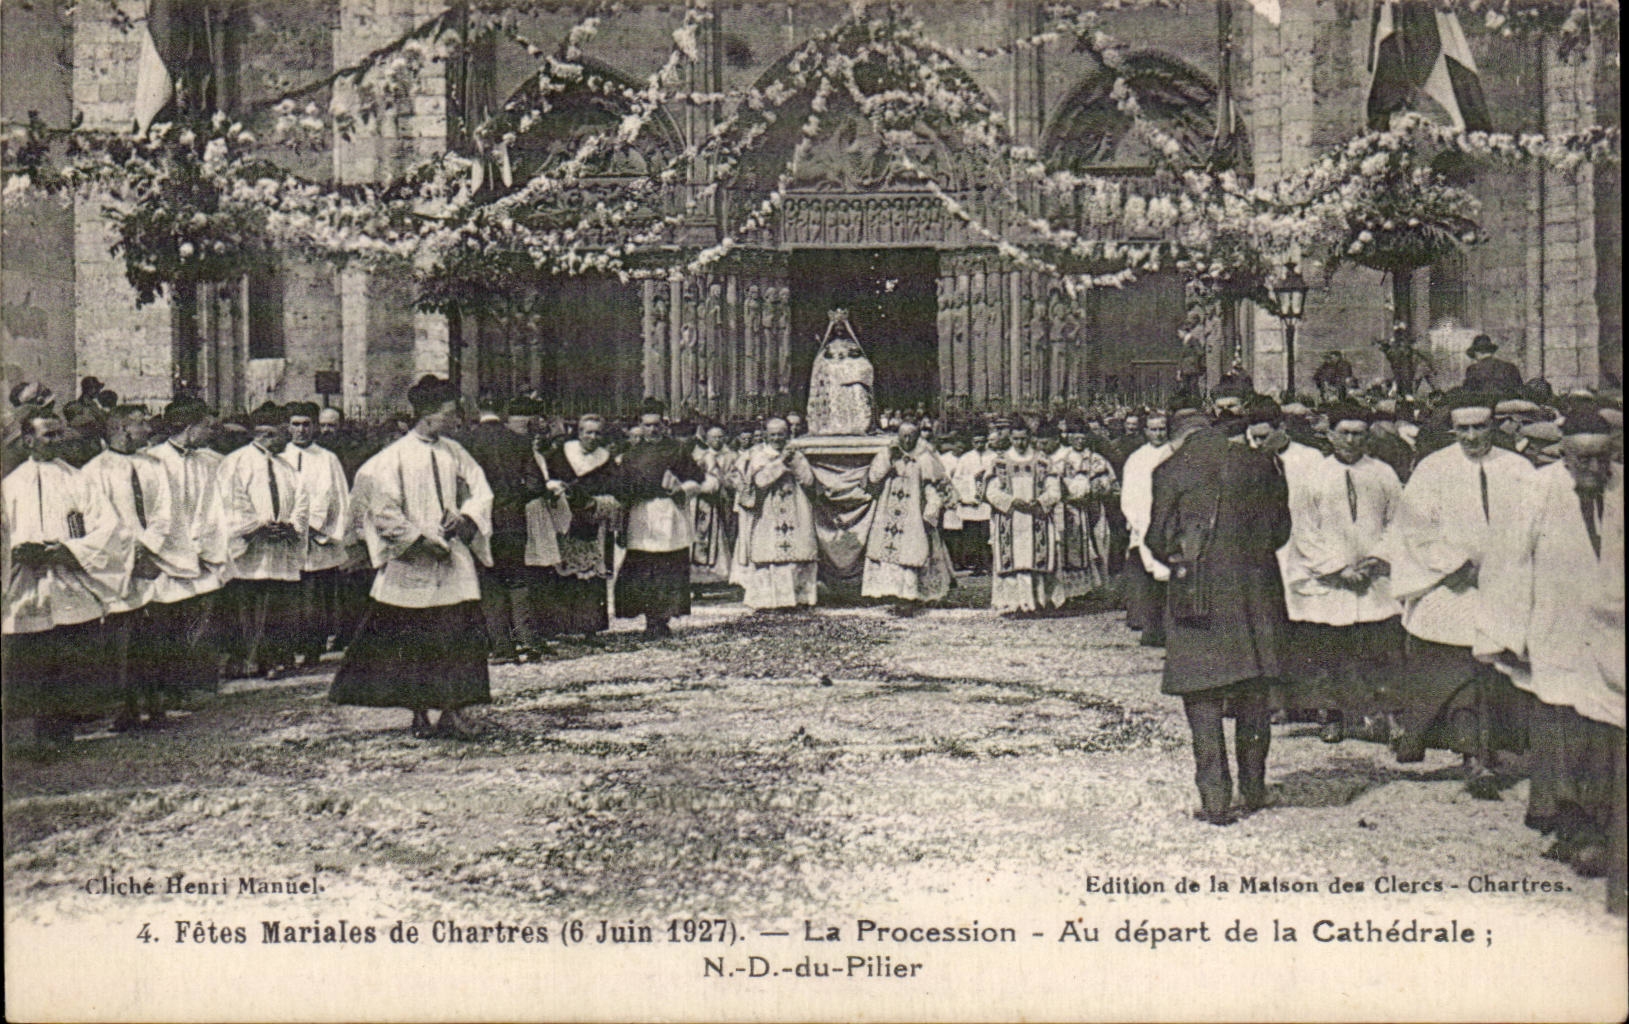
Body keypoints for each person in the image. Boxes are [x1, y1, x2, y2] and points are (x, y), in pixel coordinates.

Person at [1476, 407, 1625, 912]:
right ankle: (1572, 827)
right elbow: (1508, 561)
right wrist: (1506, 630)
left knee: (1607, 733)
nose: (1592, 467)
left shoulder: (1622, 487)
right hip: (1556, 626)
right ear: (1563, 455)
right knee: (1562, 728)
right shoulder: (1536, 490)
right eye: (1581, 457)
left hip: (1614, 633)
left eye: (1601, 458)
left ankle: (1606, 828)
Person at [1383, 394, 1536, 796]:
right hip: (1450, 584)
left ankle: (1484, 749)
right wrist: (1454, 565)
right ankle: (1473, 755)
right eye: (1463, 429)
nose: (1471, 437)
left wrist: (1508, 567)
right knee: (1460, 671)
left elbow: (1534, 525)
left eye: (1480, 427)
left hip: (1504, 583)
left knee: (1493, 671)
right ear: (1453, 429)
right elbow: (1416, 528)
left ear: (1494, 426)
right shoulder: (1434, 469)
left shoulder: (1519, 469)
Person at [1146, 408, 1291, 825]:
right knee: (1253, 692)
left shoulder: (1169, 469)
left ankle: (1214, 799)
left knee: (1203, 697)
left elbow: (1157, 538)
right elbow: (1281, 530)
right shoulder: (1260, 462)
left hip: (1199, 594)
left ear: (1177, 437)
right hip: (1255, 591)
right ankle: (1254, 787)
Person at [331, 375, 493, 739]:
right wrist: (419, 541)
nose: (456, 420)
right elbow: (383, 510)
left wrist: (465, 517)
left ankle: (452, 710)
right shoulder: (391, 459)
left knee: (457, 637)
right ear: (429, 415)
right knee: (413, 642)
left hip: (452, 564)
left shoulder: (455, 452)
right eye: (451, 413)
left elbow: (480, 490)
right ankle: (419, 712)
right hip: (412, 564)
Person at [2, 409, 129, 743]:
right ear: (28, 440)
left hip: (70, 581)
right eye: (49, 435)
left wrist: (69, 551)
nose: (57, 441)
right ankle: (36, 736)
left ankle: (65, 733)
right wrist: (19, 552)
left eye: (60, 434)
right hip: (28, 586)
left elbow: (107, 527)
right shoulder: (10, 485)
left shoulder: (78, 479)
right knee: (35, 663)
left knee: (71, 662)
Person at [1283, 404, 1404, 742]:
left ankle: (1391, 717)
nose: (1351, 440)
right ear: (1331, 434)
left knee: (1382, 649)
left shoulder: (1383, 474)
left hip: (1374, 576)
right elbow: (1304, 529)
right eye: (1345, 433)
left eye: (1358, 433)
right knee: (1330, 650)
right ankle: (1332, 716)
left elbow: (1398, 522)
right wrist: (1335, 568)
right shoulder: (1313, 475)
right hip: (1330, 579)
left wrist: (1377, 558)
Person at [80, 405, 174, 730]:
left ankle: (157, 704)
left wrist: (148, 547)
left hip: (152, 561)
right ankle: (127, 708)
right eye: (141, 424)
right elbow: (99, 521)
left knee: (155, 637)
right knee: (122, 639)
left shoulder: (154, 466)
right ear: (121, 429)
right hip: (118, 566)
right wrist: (130, 555)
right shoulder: (94, 471)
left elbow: (165, 511)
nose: (148, 430)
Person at [140, 397, 230, 703]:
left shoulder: (211, 462)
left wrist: (206, 544)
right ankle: (166, 689)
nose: (211, 432)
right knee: (166, 625)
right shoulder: (152, 461)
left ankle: (195, 686)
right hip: (166, 555)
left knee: (200, 622)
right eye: (206, 426)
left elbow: (217, 508)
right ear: (190, 428)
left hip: (202, 550)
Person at [216, 402, 308, 680]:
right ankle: (249, 659)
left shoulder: (286, 467)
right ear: (267, 434)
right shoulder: (235, 462)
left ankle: (276, 657)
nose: (289, 439)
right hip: (252, 549)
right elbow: (231, 502)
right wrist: (258, 527)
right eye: (283, 433)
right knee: (249, 606)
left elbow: (301, 500)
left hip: (280, 547)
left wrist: (291, 526)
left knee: (278, 607)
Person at [465, 395, 549, 662]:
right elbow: (537, 485)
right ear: (503, 410)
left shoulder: (466, 442)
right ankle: (527, 641)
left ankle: (502, 647)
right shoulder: (517, 440)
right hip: (513, 520)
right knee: (517, 579)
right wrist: (514, 499)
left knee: (490, 582)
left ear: (477, 408)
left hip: (480, 520)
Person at [612, 407, 706, 638]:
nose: (652, 429)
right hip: (640, 514)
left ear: (663, 426)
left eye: (656, 425)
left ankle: (663, 619)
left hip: (668, 512)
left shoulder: (677, 449)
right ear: (640, 427)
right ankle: (649, 619)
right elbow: (620, 487)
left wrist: (680, 489)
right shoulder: (631, 454)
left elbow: (696, 479)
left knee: (668, 567)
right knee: (644, 568)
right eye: (647, 425)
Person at [280, 401, 351, 669]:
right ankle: (288, 648)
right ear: (288, 427)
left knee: (315, 596)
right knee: (289, 595)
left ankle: (313, 648)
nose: (301, 430)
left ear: (314, 427)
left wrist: (321, 528)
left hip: (318, 538)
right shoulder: (279, 456)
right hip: (287, 538)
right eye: (295, 425)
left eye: (306, 425)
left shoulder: (327, 459)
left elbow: (339, 497)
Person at [860, 420, 954, 611]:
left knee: (914, 551)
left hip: (914, 513)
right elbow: (874, 478)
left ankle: (914, 594)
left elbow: (934, 486)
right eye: (904, 435)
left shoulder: (925, 456)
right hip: (888, 510)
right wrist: (889, 459)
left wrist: (931, 511)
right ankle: (891, 593)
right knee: (886, 550)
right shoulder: (888, 452)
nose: (907, 439)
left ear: (918, 436)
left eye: (912, 435)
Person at [541, 415, 618, 640]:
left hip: (591, 519)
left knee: (590, 574)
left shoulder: (606, 459)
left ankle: (589, 626)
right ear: (579, 432)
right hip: (563, 519)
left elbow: (615, 488)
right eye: (588, 432)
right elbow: (546, 478)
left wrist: (598, 503)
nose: (592, 437)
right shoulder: (560, 454)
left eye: (597, 433)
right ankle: (561, 626)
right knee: (561, 570)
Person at [738, 417, 820, 610]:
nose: (777, 438)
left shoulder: (796, 454)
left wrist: (794, 462)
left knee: (798, 552)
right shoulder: (759, 455)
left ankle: (799, 600)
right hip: (769, 510)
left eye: (780, 434)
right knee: (770, 553)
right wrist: (781, 463)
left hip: (796, 506)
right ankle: (769, 601)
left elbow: (808, 480)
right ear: (766, 435)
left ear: (787, 434)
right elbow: (761, 481)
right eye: (773, 434)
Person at [984, 421, 1060, 614]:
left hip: (1036, 518)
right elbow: (991, 492)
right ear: (1010, 438)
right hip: (1010, 518)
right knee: (1013, 563)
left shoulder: (1042, 461)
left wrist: (1041, 502)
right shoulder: (1000, 462)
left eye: (1024, 438)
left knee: (1034, 560)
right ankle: (1012, 604)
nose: (1020, 443)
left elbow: (1054, 489)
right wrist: (1010, 502)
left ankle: (1037, 603)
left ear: (1030, 438)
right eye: (1016, 439)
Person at [1120, 413, 1173, 646]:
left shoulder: (1174, 453)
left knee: (1169, 576)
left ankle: (1171, 629)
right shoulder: (1136, 459)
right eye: (1153, 429)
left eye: (1162, 428)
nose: (1158, 433)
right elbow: (1129, 494)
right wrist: (1136, 519)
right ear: (1145, 431)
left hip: (1169, 523)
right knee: (1147, 576)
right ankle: (1149, 628)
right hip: (1143, 521)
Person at [690, 425, 737, 587]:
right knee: (701, 533)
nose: (717, 440)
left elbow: (736, 476)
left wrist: (724, 482)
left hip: (725, 500)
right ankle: (699, 572)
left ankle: (723, 572)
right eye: (713, 437)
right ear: (707, 439)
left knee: (726, 533)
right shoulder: (700, 456)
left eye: (720, 437)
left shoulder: (732, 456)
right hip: (704, 502)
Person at [806, 334, 874, 435]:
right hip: (833, 382)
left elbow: (865, 367)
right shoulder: (829, 350)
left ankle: (856, 425)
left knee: (857, 389)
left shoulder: (855, 357)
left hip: (850, 384)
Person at [949, 428, 996, 573]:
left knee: (987, 533)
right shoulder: (966, 458)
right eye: (976, 442)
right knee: (972, 534)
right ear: (972, 443)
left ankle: (988, 563)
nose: (979, 444)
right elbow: (957, 479)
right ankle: (975, 564)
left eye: (982, 441)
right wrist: (969, 487)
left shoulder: (993, 457)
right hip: (971, 502)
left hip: (987, 501)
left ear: (986, 441)